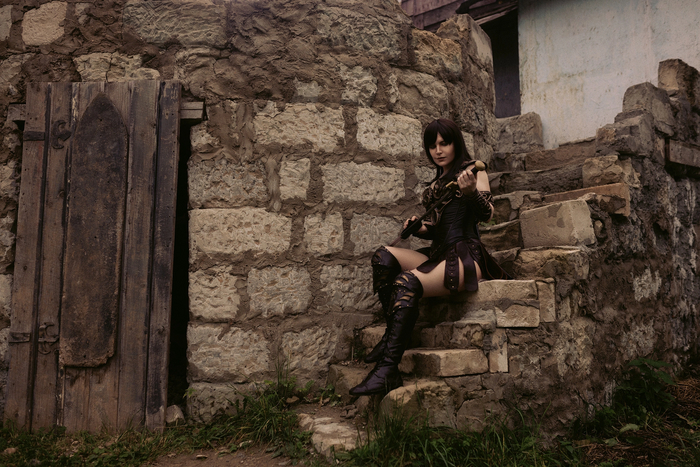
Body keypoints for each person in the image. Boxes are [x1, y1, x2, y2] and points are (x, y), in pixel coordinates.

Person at [349, 118, 512, 396]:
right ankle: (391, 336)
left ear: (455, 143)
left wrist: (471, 193)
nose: (438, 150)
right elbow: (438, 230)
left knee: (405, 282)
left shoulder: (473, 171)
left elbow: (486, 215)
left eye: (444, 143)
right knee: (383, 257)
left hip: (465, 256)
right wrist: (418, 228)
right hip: (440, 253)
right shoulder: (436, 185)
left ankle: (388, 370)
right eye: (432, 145)